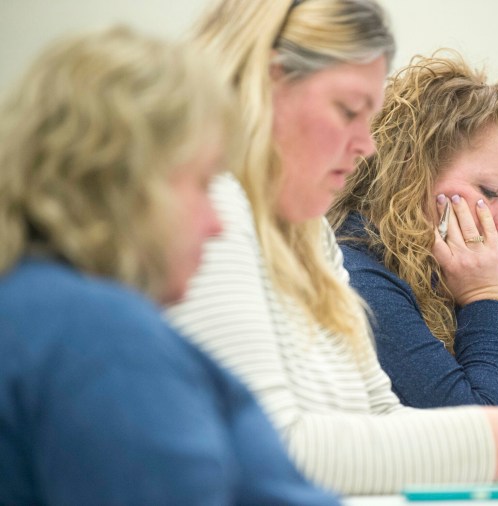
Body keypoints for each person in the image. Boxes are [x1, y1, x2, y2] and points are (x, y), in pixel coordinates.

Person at [167, 0, 498, 496]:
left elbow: (382, 418)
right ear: (270, 87)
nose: (366, 143)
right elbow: (276, 449)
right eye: (347, 111)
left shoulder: (311, 235)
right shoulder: (215, 213)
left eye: (371, 116)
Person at [0, 26, 338, 505]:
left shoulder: (35, 308)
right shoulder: (100, 337)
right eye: (203, 183)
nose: (216, 224)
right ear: (124, 183)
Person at [327, 53, 498, 408]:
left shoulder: (440, 275)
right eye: (489, 191)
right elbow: (490, 440)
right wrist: (488, 296)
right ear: (411, 176)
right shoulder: (358, 278)